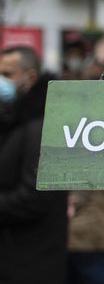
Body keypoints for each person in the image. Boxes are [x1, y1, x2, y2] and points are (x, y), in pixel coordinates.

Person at [0, 46, 69, 283]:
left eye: (7, 75)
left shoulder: (43, 125)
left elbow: (35, 195)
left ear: (29, 78)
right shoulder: (14, 120)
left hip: (32, 262)